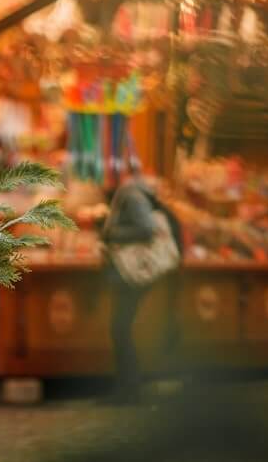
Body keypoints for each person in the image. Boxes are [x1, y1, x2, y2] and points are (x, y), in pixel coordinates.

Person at [102, 173, 181, 404]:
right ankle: (127, 387)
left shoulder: (131, 194)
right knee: (121, 328)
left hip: (131, 274)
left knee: (120, 328)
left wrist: (111, 234)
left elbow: (147, 229)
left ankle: (129, 389)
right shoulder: (137, 193)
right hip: (133, 274)